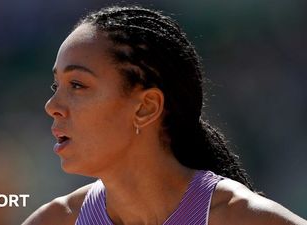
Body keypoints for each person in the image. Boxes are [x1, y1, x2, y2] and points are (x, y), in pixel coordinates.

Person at [22, 5, 307, 225]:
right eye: (55, 85)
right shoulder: (56, 220)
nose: (52, 105)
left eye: (77, 85)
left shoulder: (240, 219)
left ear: (146, 107)